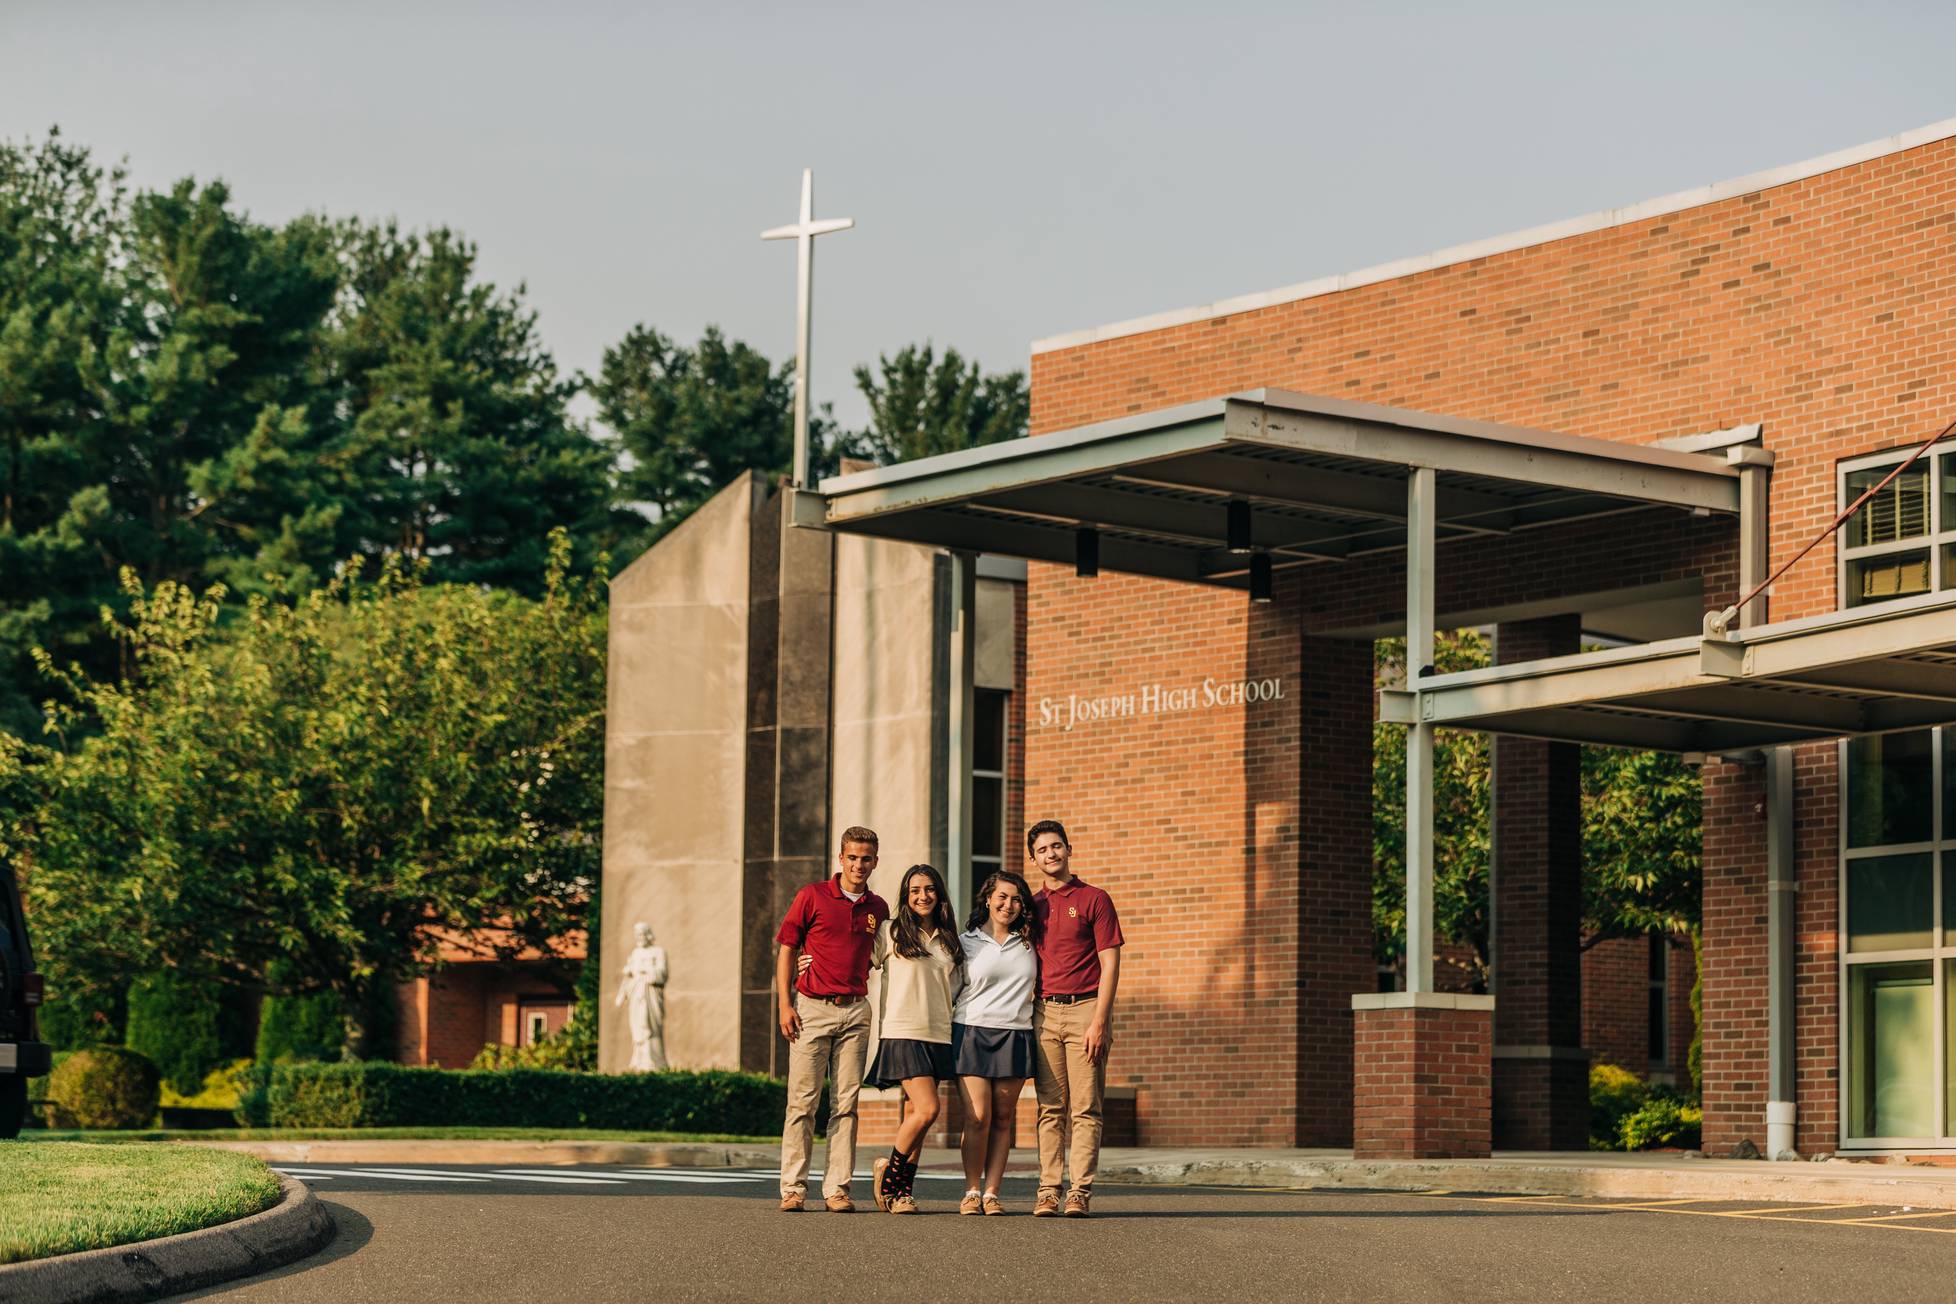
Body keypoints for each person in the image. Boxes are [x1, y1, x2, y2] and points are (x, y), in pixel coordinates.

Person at [775, 827, 889, 1214]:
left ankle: (837, 1187)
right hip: (812, 1008)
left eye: (867, 858)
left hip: (856, 1010)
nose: (859, 864)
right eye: (853, 857)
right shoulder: (812, 896)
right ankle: (793, 1187)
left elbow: (882, 955)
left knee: (846, 1104)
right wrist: (784, 1004)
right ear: (840, 858)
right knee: (803, 1102)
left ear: (875, 861)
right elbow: (787, 949)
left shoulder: (878, 908)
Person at [1027, 819, 1123, 1219]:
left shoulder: (1094, 899)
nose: (1051, 854)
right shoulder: (1029, 906)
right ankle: (1049, 1189)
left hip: (1086, 1009)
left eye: (1056, 846)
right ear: (1034, 859)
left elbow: (1111, 961)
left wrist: (1100, 1021)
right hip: (1044, 1012)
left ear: (1069, 849)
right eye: (1043, 850)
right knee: (1050, 1108)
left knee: (1086, 1108)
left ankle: (1079, 1191)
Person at [865, 863, 965, 1214]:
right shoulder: (891, 933)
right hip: (902, 1030)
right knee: (928, 1109)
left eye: (929, 889)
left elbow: (955, 991)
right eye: (915, 891)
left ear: (939, 894)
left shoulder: (950, 941)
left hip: (938, 1033)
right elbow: (856, 963)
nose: (923, 896)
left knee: (915, 1115)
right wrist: (809, 963)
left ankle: (902, 1193)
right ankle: (888, 1177)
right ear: (906, 898)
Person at [951, 869, 1040, 1216]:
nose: (1009, 904)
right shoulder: (965, 941)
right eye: (1002, 897)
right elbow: (949, 987)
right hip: (971, 1031)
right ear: (987, 899)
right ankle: (971, 1190)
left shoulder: (1032, 942)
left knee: (1004, 1118)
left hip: (1015, 1034)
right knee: (978, 1117)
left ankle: (991, 1194)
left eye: (1016, 899)